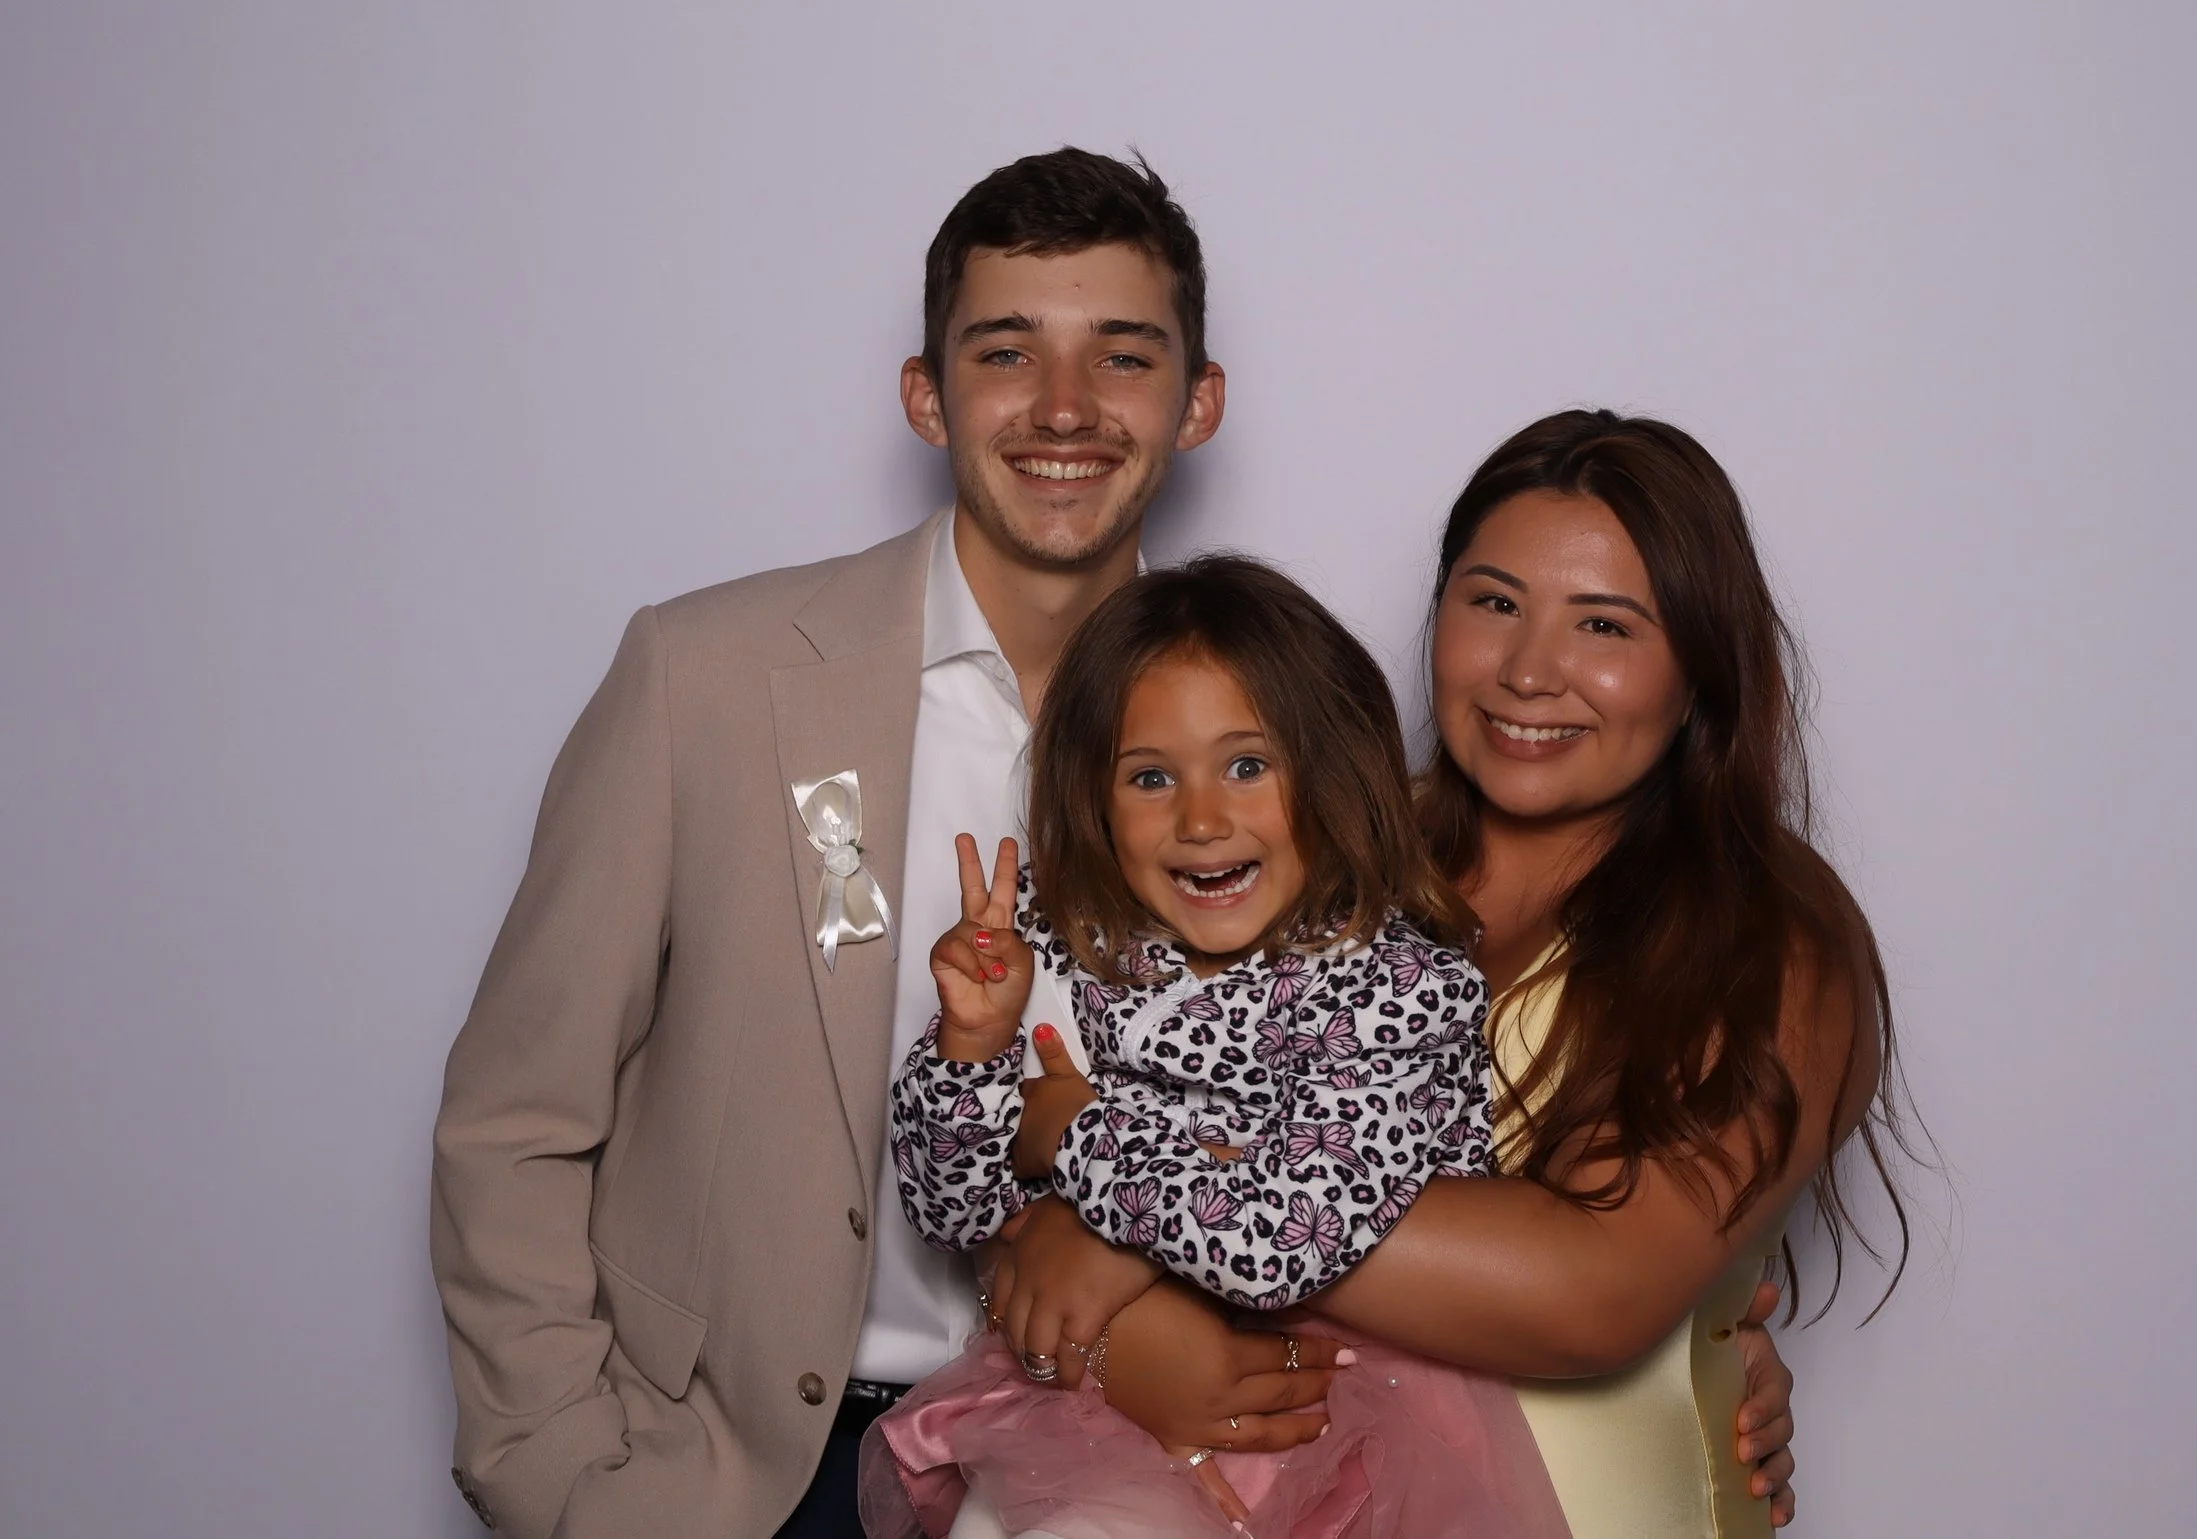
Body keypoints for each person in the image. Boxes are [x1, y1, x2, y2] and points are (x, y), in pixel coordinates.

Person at [428, 151, 1804, 1539]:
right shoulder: (707, 678)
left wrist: (1694, 1336)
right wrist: (559, 1473)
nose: (1065, 407)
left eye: (1124, 356)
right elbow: (520, 1112)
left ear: (1198, 402)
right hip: (736, 1480)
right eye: (1005, 350)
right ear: (926, 393)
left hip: (1127, 1461)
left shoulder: (1279, 766)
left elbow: (1418, 1171)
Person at [988, 410, 1909, 1536]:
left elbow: (1588, 1291)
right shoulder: (1302, 848)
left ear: (1700, 668)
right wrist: (1117, 1322)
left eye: (1604, 625)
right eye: (1494, 603)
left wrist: (1116, 1204)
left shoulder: (1765, 937)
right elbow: (1030, 1124)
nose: (1528, 670)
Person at [867, 556, 1568, 1537]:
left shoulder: (1396, 989)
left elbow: (1276, 1245)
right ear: (1095, 800)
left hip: (1323, 1406)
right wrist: (974, 1048)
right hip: (1103, 1394)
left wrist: (1069, 1132)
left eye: (1247, 765)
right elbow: (950, 1211)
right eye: (1151, 777)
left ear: (1327, 770)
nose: (1200, 819)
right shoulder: (1077, 947)